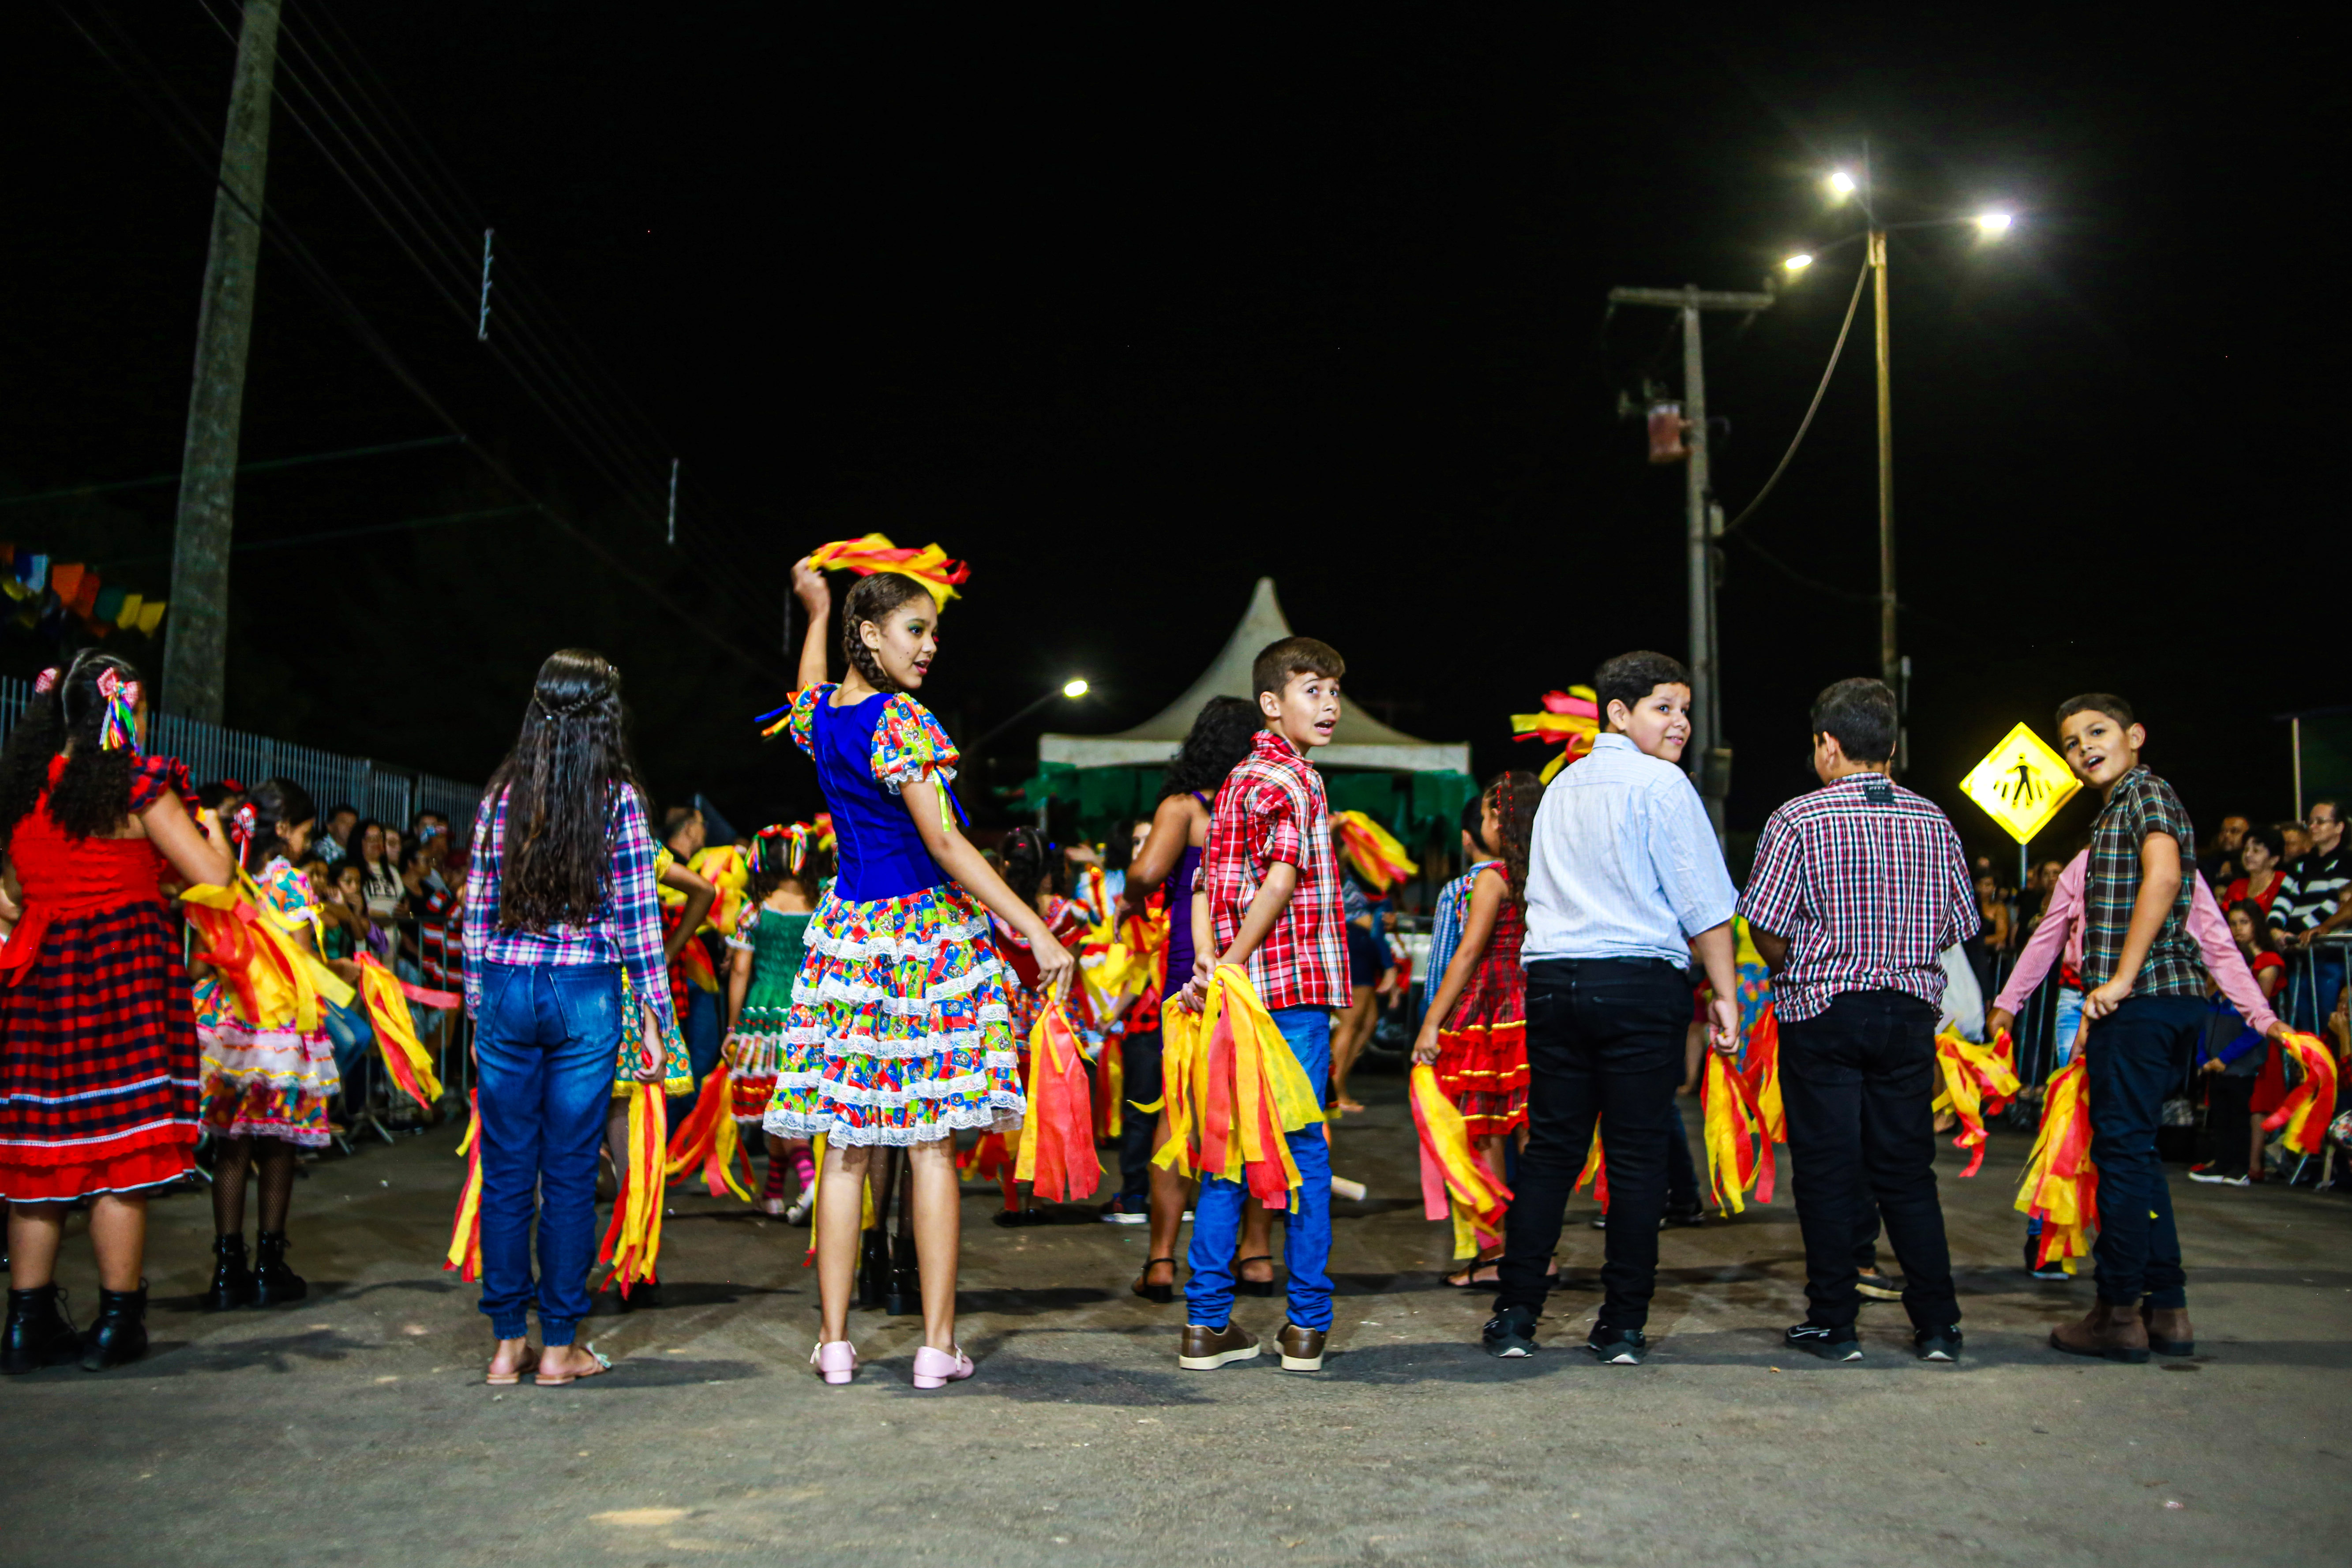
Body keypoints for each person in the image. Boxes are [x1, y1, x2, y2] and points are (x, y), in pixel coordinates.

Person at [769, 558, 1072, 1389]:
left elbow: (807, 684)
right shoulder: (900, 720)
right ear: (871, 635)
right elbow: (943, 841)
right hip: (919, 942)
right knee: (931, 1146)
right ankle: (936, 1346)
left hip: (846, 943)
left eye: (934, 632)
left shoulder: (824, 715)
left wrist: (816, 608)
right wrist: (1034, 926)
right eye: (916, 629)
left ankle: (835, 1343)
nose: (931, 645)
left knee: (845, 1149)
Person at [1483, 650, 1740, 1365]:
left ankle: (1514, 1315)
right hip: (1636, 984)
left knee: (1550, 1152)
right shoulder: (1663, 785)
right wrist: (1725, 995)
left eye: (1684, 710)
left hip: (1554, 984)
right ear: (1618, 713)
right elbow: (1705, 905)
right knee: (1634, 1157)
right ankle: (1621, 1325)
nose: (1680, 722)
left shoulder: (1561, 786)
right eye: (1664, 707)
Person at [0, 653, 233, 1374]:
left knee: (42, 1154)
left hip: (42, 979)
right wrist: (217, 830)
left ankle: (26, 1325)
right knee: (119, 1155)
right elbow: (212, 876)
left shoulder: (24, 787)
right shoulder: (137, 785)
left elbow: (10, 895)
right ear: (124, 710)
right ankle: (116, 1321)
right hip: (121, 973)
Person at [2041, 693, 2287, 1363]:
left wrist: (2119, 978)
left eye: (2097, 732)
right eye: (2071, 742)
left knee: (2121, 1156)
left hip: (2144, 997)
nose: (2083, 748)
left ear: (2135, 736)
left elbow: (2165, 876)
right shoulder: (2120, 806)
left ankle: (2117, 1313)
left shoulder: (2146, 793)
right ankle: (2168, 1311)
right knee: (2138, 1154)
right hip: (2163, 1001)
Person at [1737, 679, 1977, 1362]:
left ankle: (1833, 1323)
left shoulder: (1796, 818)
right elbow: (1956, 926)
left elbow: (1765, 925)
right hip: (1907, 1014)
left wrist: (1802, 967)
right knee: (1906, 1171)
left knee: (1825, 1170)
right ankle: (1937, 1325)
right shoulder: (1933, 820)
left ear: (1826, 744)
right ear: (1890, 748)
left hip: (1823, 1010)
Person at [463, 649, 679, 1387]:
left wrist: (478, 1006)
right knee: (569, 1174)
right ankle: (558, 1346)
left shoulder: (503, 794)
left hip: (507, 985)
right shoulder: (618, 798)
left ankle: (506, 1344)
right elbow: (639, 921)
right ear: (605, 716)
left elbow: (476, 911)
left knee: (505, 1173)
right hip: (585, 991)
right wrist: (655, 1018)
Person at [1172, 636, 1350, 1376]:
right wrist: (1234, 961)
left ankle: (1204, 1324)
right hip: (1289, 995)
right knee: (1304, 1156)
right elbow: (1279, 879)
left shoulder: (1235, 781)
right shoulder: (1296, 777)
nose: (1330, 704)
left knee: (1227, 1157)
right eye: (1313, 690)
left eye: (1334, 691)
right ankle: (1305, 1325)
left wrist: (1211, 959)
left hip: (1236, 998)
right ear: (1272, 703)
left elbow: (1202, 885)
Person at [1991, 848, 2281, 1260]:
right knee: (2071, 1115)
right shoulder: (2087, 861)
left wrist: (2262, 1017)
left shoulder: (2175, 863)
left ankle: (2131, 1260)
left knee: (2127, 1136)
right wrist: (2009, 1001)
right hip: (2081, 998)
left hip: (2142, 1006)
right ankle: (2050, 1239)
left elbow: (2217, 944)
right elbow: (2049, 932)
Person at [1115, 695, 1263, 1302]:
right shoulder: (1261, 801)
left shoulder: (1185, 806)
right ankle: (1255, 1254)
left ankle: (1160, 1259)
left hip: (1191, 969)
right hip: (1255, 965)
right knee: (1254, 1109)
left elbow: (1146, 873)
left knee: (1178, 1111)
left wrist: (1132, 891)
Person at [194, 777, 350, 1313]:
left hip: (230, 1023)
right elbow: (302, 958)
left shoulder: (228, 873)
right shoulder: (291, 882)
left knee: (231, 1145)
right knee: (278, 1145)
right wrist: (340, 969)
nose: (306, 843)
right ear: (283, 828)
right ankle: (268, 1264)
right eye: (304, 832)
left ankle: (226, 1268)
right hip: (278, 1027)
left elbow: (202, 960)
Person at [1412, 771, 1542, 1288]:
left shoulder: (1492, 877)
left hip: (1491, 1012)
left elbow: (1467, 954)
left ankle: (1495, 1253)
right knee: (1534, 1134)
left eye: (1489, 812)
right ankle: (1539, 1252)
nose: (1485, 821)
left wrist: (1430, 1023)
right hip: (1537, 1007)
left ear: (1502, 822)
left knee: (1484, 1129)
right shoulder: (1546, 872)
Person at [722, 825, 826, 1221]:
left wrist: (732, 1028)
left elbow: (740, 971)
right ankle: (772, 1195)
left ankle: (809, 1181)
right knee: (791, 1101)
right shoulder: (822, 905)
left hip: (763, 1014)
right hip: (807, 1012)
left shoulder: (754, 909)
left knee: (776, 1105)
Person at [2188, 901, 2288, 1186]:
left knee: (2242, 1115)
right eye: (2232, 923)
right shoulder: (2215, 1001)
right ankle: (2222, 1163)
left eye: (2244, 922)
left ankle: (2242, 1167)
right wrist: (2203, 1060)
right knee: (2221, 1115)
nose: (2237, 929)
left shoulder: (2250, 995)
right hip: (2217, 1065)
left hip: (2240, 1064)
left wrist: (2224, 1058)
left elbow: (2255, 1028)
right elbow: (2204, 1029)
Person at [2269, 800, 2348, 1032]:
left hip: (2329, 956)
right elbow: (2284, 898)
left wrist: (2295, 933)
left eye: (2320, 822)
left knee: (2327, 1020)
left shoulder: (2348, 861)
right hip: (2300, 953)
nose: (2312, 827)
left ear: (2339, 827)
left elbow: (2335, 905)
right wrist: (2275, 928)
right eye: (2310, 822)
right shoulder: (2301, 864)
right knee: (2303, 1022)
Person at [2223, 825, 2288, 919]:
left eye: (2256, 851)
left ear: (2274, 859)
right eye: (2246, 850)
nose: (2248, 855)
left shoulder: (2285, 883)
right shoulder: (2235, 887)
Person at [2197, 814, 2250, 891]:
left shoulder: (2252, 864)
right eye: (2223, 831)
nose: (2226, 835)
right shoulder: (2205, 864)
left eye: (2234, 831)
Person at [318, 803, 358, 869]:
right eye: (345, 823)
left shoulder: (357, 849)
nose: (350, 828)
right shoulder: (321, 851)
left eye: (354, 824)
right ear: (330, 827)